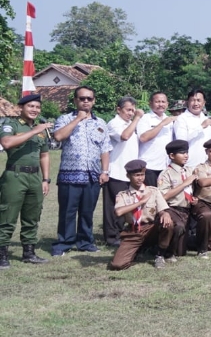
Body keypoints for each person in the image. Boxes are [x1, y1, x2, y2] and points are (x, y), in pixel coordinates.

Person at [51, 85, 112, 256]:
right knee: (67, 212)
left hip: (92, 175)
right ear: (75, 100)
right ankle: (64, 243)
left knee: (87, 212)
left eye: (89, 98)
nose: (86, 101)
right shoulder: (65, 118)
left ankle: (85, 242)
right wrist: (77, 119)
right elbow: (58, 136)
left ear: (94, 101)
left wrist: (105, 171)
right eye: (82, 98)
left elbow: (105, 149)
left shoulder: (100, 123)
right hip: (70, 175)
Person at [0, 93, 52, 268]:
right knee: (7, 216)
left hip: (35, 177)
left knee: (32, 216)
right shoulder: (11, 124)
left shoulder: (40, 129)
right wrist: (34, 131)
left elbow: (44, 155)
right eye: (31, 106)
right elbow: (6, 142)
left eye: (37, 107)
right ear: (20, 108)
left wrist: (46, 179)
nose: (34, 110)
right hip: (15, 176)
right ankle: (2, 254)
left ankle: (29, 252)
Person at [107, 160, 173, 270]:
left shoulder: (153, 191)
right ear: (128, 176)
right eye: (136, 175)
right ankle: (138, 250)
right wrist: (140, 202)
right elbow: (118, 212)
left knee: (168, 223)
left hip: (151, 228)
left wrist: (165, 213)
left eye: (142, 175)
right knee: (117, 265)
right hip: (133, 231)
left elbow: (162, 209)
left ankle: (160, 255)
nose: (140, 178)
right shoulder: (123, 195)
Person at [103, 96, 141, 247]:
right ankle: (112, 236)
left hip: (129, 171)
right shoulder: (114, 124)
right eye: (128, 110)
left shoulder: (130, 123)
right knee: (114, 205)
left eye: (133, 110)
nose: (131, 113)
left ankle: (121, 232)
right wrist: (137, 118)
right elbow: (124, 136)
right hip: (116, 171)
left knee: (126, 204)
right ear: (118, 109)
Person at [155, 140, 197, 262]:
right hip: (172, 209)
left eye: (187, 152)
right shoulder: (166, 174)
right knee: (177, 227)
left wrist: (194, 198)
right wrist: (185, 183)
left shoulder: (189, 171)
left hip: (186, 210)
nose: (186, 155)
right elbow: (164, 196)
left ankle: (170, 250)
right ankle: (161, 253)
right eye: (182, 153)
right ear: (172, 156)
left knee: (181, 252)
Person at [136, 92, 175, 188]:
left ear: (167, 104)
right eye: (157, 102)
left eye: (163, 102)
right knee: (150, 195)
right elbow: (143, 138)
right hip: (149, 166)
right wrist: (162, 124)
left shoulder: (169, 120)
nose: (160, 104)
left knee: (163, 195)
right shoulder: (145, 118)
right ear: (150, 103)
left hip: (165, 166)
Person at [173, 88, 211, 167]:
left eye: (199, 100)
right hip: (188, 165)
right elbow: (181, 142)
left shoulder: (206, 119)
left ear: (204, 103)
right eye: (192, 100)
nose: (196, 103)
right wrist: (201, 127)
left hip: (206, 165)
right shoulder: (182, 119)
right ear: (187, 102)